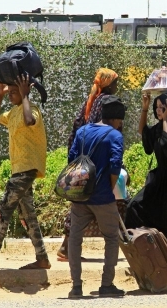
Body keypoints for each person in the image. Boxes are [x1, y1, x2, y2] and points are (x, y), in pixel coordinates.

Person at [0, 74, 50, 270]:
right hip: (18, 169)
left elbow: (29, 120)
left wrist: (24, 96)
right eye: (11, 93)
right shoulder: (12, 113)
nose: (12, 95)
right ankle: (42, 258)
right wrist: (0, 95)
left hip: (27, 168)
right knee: (28, 214)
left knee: (4, 208)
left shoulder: (32, 110)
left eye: (15, 92)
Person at [67, 95, 126, 298]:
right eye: (120, 121)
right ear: (117, 119)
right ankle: (106, 285)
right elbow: (115, 166)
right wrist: (108, 189)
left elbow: (71, 158)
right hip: (102, 197)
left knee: (75, 238)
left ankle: (76, 287)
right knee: (111, 238)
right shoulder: (115, 136)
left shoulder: (83, 131)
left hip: (80, 195)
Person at [57, 68, 119, 260]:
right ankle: (68, 248)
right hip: (95, 159)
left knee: (81, 201)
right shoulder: (104, 102)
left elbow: (78, 127)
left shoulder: (91, 100)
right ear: (108, 84)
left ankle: (68, 247)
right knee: (92, 201)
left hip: (82, 157)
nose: (117, 86)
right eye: (115, 82)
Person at [125, 92, 167, 269]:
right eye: (158, 107)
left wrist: (166, 121)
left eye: (164, 107)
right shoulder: (157, 127)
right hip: (160, 179)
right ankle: (147, 254)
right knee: (134, 207)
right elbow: (144, 133)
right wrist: (145, 108)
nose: (159, 110)